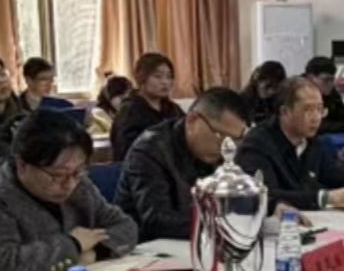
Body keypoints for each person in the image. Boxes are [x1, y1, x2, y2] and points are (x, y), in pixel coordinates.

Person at [0, 111, 139, 271]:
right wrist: (74, 245)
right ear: (22, 164)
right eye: (56, 175)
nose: (69, 184)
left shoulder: (79, 184)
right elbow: (2, 267)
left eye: (78, 171)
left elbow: (125, 226)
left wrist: (95, 252)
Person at [237, 78, 344, 213]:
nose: (316, 117)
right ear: (285, 112)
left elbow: (339, 177)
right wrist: (326, 197)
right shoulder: (258, 143)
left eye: (320, 109)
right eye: (308, 110)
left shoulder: (313, 142)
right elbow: (266, 194)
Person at [116, 87, 249, 241]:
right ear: (192, 120)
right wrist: (223, 226)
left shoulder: (224, 153)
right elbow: (156, 221)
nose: (226, 148)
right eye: (220, 136)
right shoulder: (150, 151)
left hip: (201, 242)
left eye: (236, 139)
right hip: (146, 248)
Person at [109, 52, 183, 162]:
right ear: (141, 78)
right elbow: (126, 151)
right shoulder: (129, 111)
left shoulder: (173, 109)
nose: (165, 82)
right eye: (158, 76)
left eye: (169, 77)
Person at [303, 56, 344, 134]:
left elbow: (343, 113)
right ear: (311, 78)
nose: (331, 84)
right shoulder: (299, 93)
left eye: (332, 79)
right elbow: (309, 124)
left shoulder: (331, 91)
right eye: (326, 79)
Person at [240, 61, 287, 126]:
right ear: (257, 81)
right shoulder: (243, 100)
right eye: (268, 86)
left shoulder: (280, 99)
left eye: (276, 87)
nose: (271, 91)